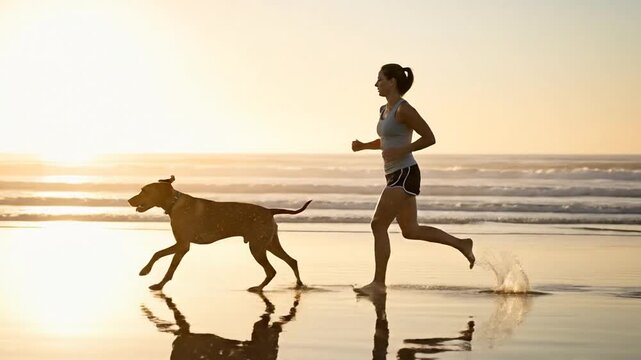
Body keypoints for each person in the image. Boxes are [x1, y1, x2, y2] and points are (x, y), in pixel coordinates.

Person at [352, 63, 475, 295]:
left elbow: (429, 137)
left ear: (392, 82)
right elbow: (387, 141)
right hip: (394, 174)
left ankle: (378, 283)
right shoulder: (384, 110)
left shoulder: (403, 109)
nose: (376, 84)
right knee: (410, 230)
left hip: (405, 173)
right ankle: (462, 244)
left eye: (380, 79)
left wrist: (401, 151)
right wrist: (364, 146)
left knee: (378, 224)